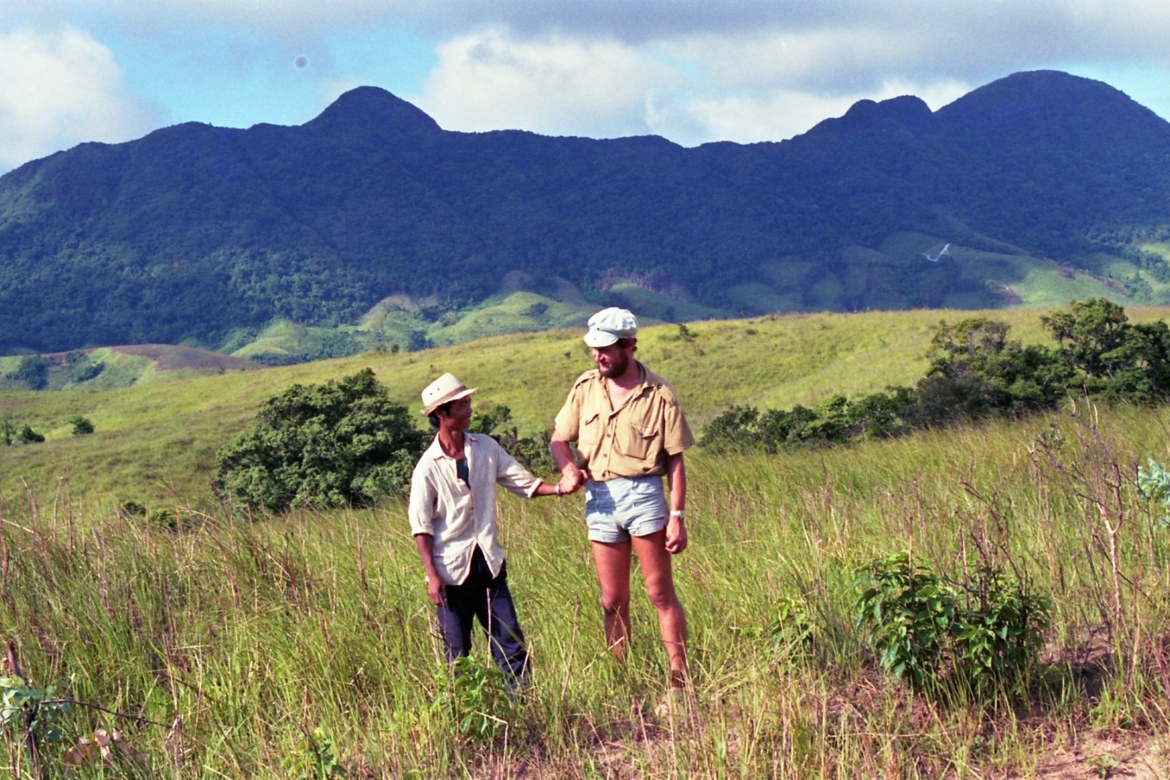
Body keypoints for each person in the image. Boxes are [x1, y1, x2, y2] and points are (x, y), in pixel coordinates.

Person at [550, 307, 694, 692]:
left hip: (644, 494)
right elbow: (559, 438)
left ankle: (679, 678)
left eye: (607, 348)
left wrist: (677, 513)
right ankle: (622, 680)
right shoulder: (585, 388)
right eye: (595, 348)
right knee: (612, 599)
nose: (599, 355)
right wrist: (568, 469)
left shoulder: (659, 393)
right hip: (599, 496)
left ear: (629, 345)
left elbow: (676, 458)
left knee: (659, 592)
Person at [409, 372, 577, 684]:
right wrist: (432, 577)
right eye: (462, 405)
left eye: (468, 402)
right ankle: (465, 724)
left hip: (489, 566)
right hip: (450, 576)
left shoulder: (485, 447)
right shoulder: (427, 467)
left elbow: (521, 481)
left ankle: (524, 713)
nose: (470, 409)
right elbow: (421, 526)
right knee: (457, 659)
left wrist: (558, 489)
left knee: (511, 647)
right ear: (441, 414)